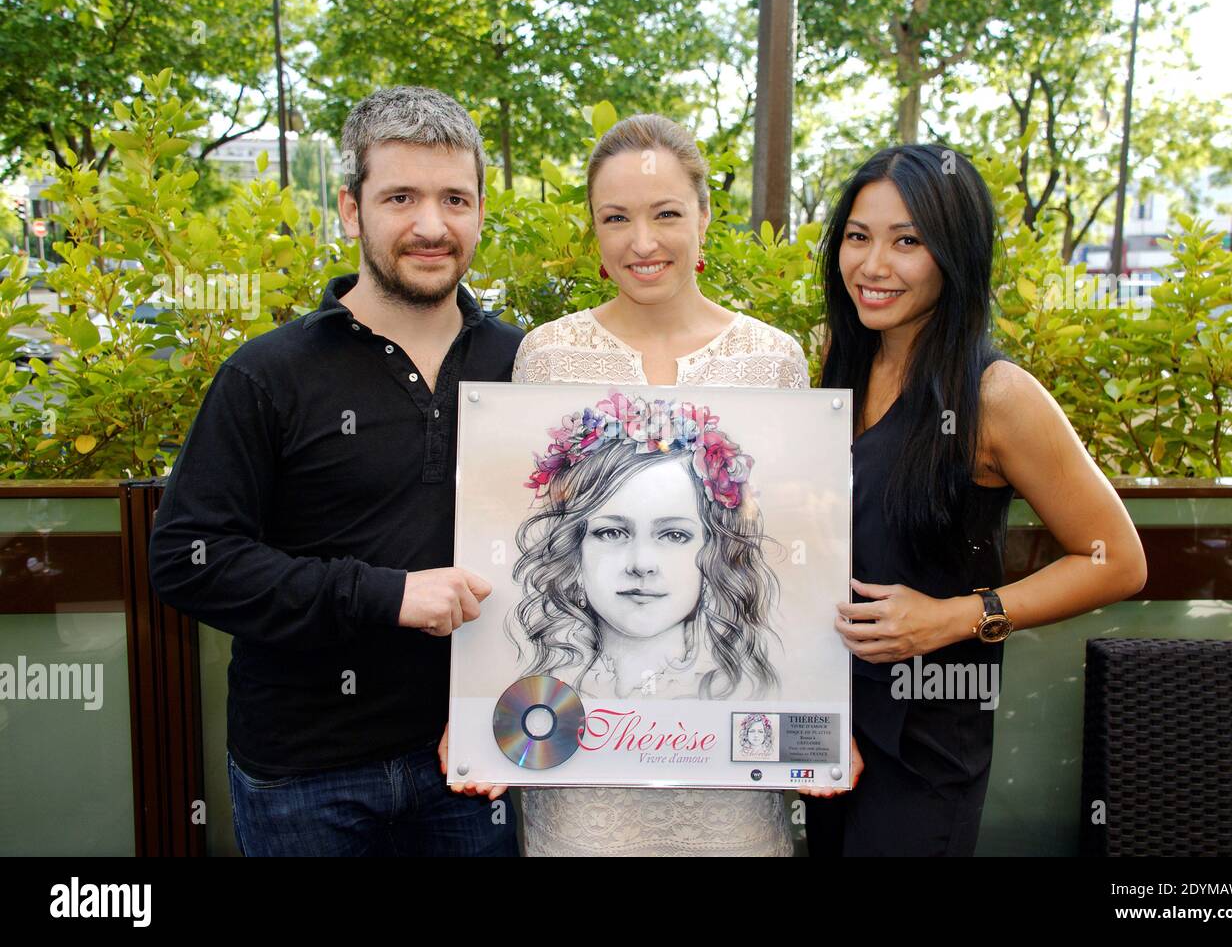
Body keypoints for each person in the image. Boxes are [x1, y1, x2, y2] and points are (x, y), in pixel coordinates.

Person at [148, 86, 523, 856]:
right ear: (352, 211)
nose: (431, 225)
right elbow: (191, 561)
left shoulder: (524, 365)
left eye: (455, 198)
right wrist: (387, 595)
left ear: (481, 210)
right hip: (305, 778)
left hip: (476, 756)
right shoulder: (269, 375)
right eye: (401, 197)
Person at [806, 144, 1148, 856]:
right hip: (835, 725)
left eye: (908, 241)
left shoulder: (996, 395)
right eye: (858, 237)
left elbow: (1116, 560)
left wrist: (955, 618)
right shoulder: (843, 365)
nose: (873, 265)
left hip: (927, 741)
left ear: (955, 253)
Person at [510, 113, 812, 856]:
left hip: (731, 760)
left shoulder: (774, 362)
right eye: (617, 218)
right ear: (594, 232)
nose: (642, 243)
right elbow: (525, 551)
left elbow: (796, 568)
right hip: (580, 771)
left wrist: (818, 724)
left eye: (666, 214)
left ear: (705, 218)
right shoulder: (544, 359)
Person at [510, 389, 780, 700]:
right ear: (575, 550)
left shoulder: (748, 694)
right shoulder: (538, 694)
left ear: (713, 552)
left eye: (674, 535)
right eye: (611, 533)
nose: (641, 564)